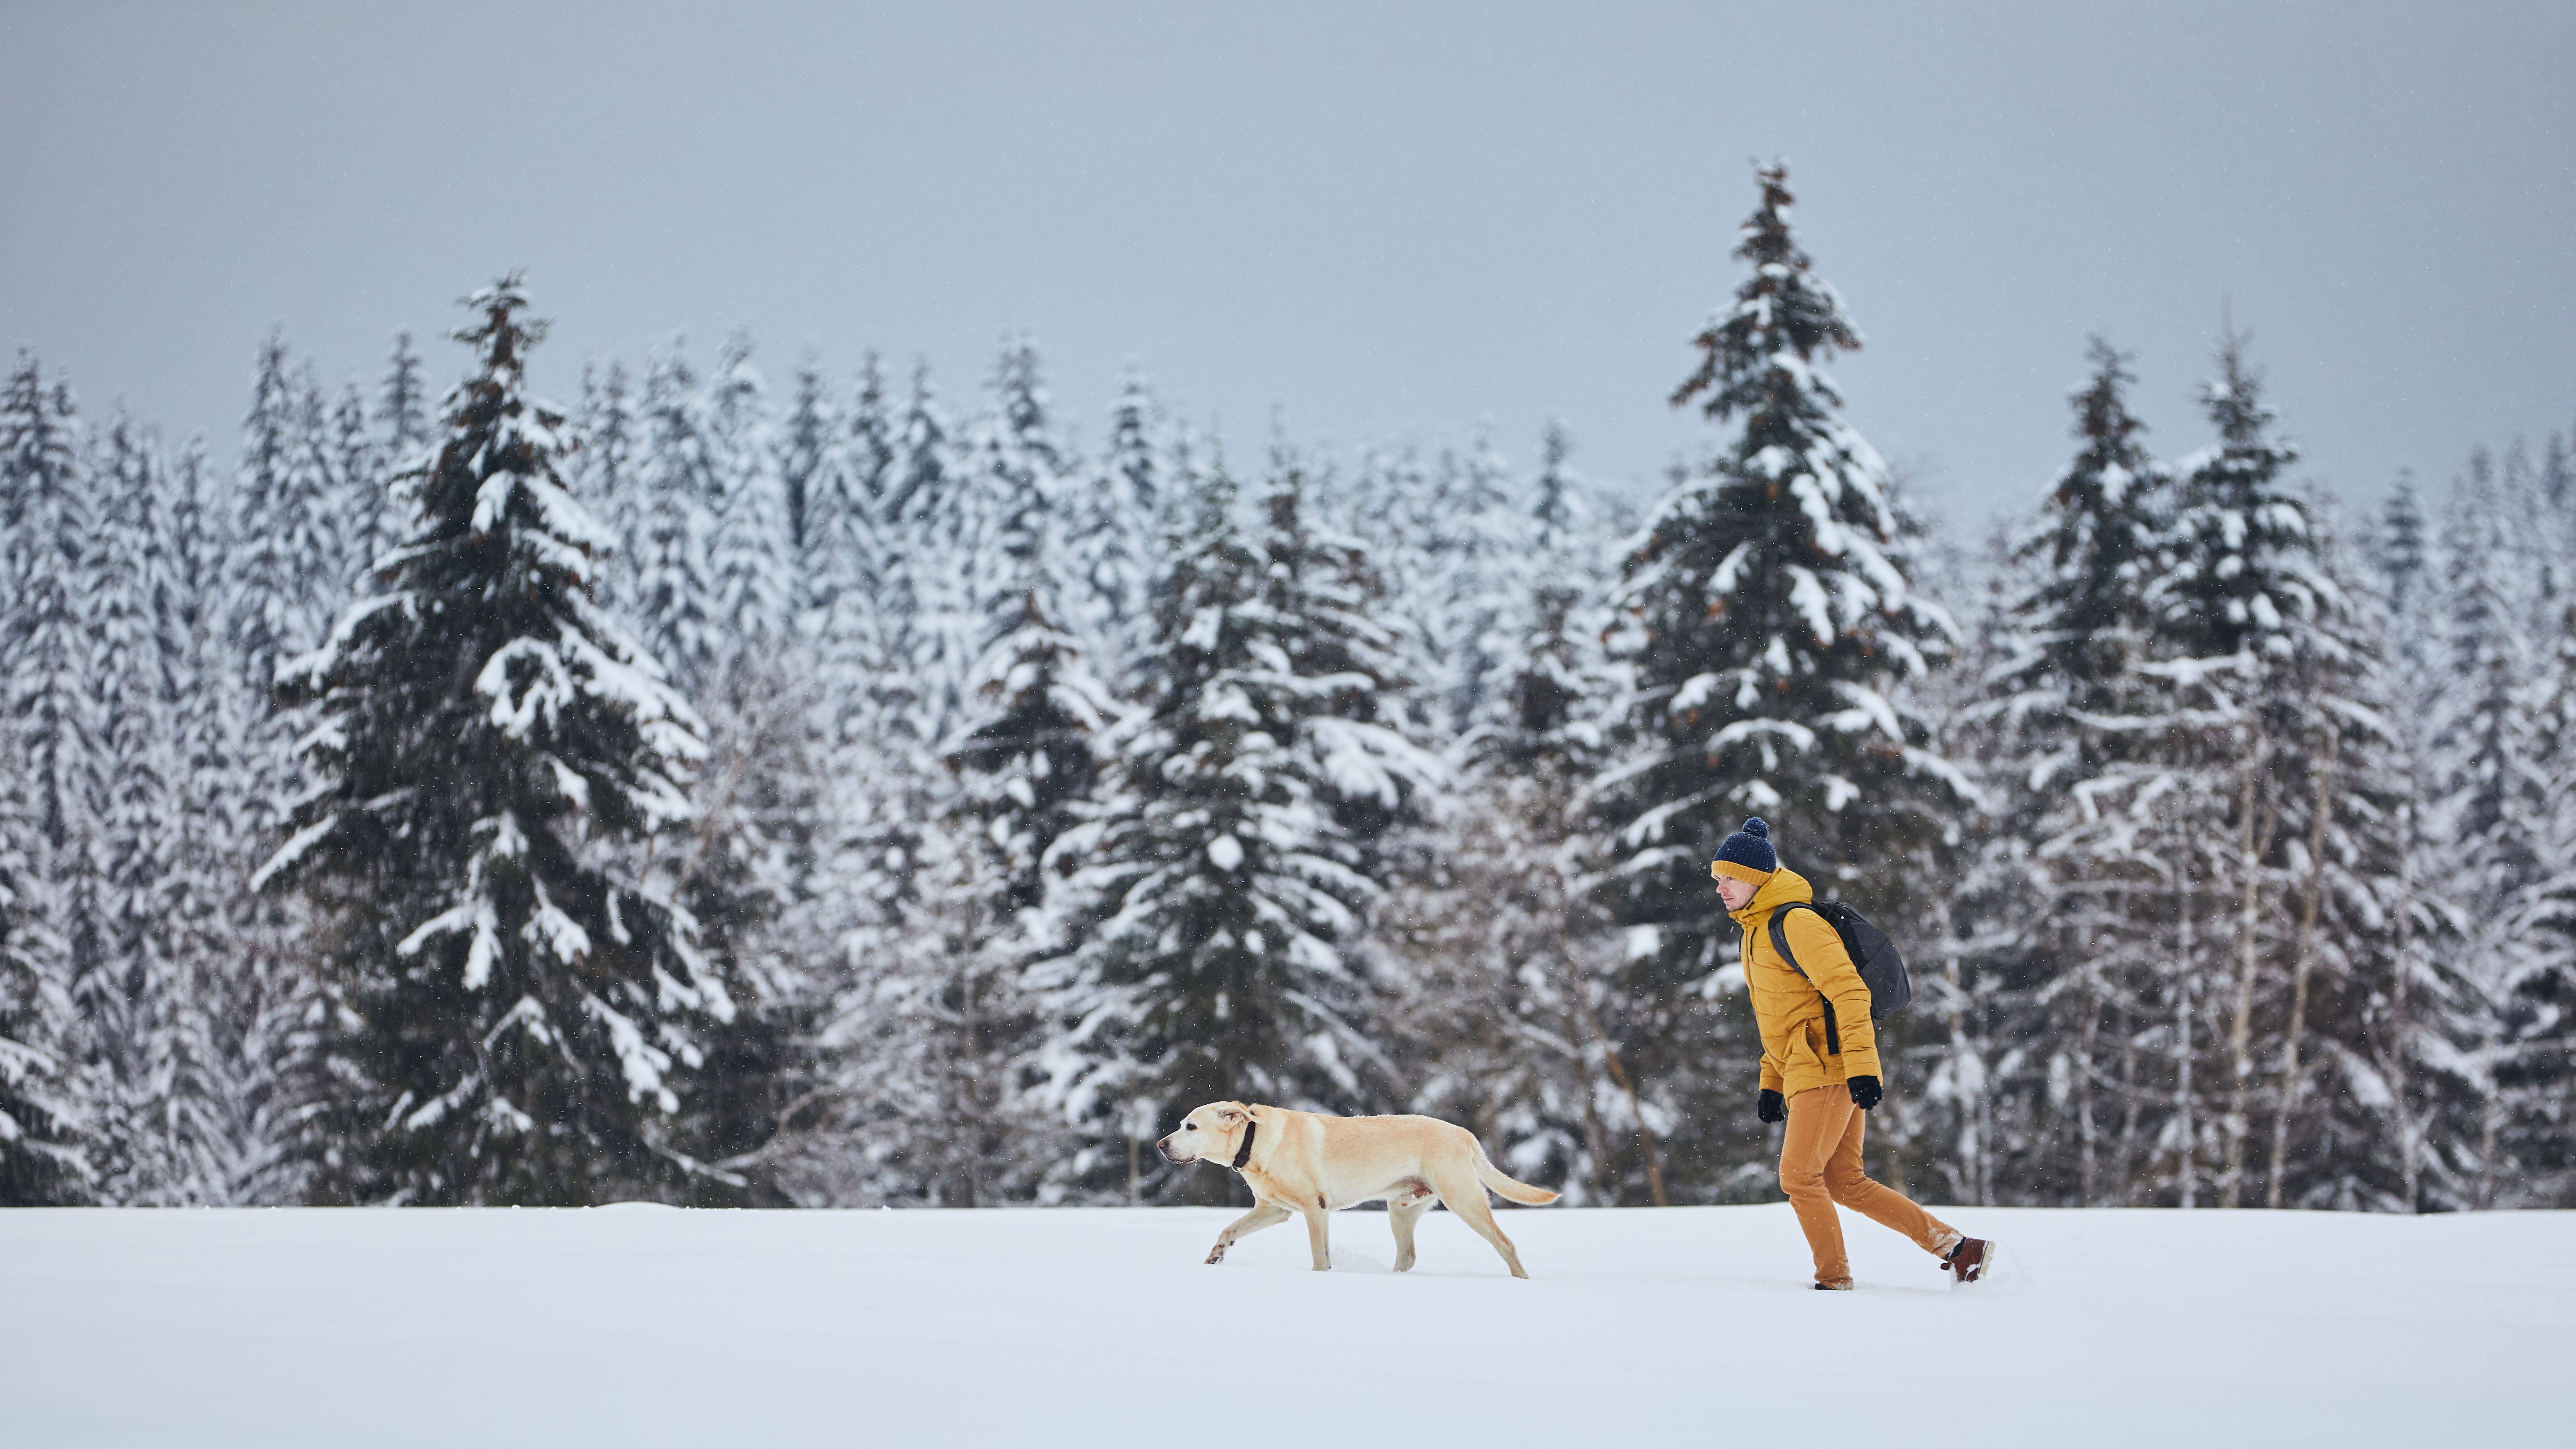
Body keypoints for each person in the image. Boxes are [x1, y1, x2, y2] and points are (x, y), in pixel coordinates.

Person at [1709, 817, 1994, 1290]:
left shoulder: (1796, 922)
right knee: (1845, 1182)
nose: (1720, 888)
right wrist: (1771, 1082)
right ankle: (1959, 1250)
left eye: (1729, 878)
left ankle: (1834, 1280)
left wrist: (1863, 1068)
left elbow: (1849, 993)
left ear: (1758, 878)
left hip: (1828, 1069)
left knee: (1799, 1177)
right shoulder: (1752, 934)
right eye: (1717, 878)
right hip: (1806, 1069)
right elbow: (1778, 1018)